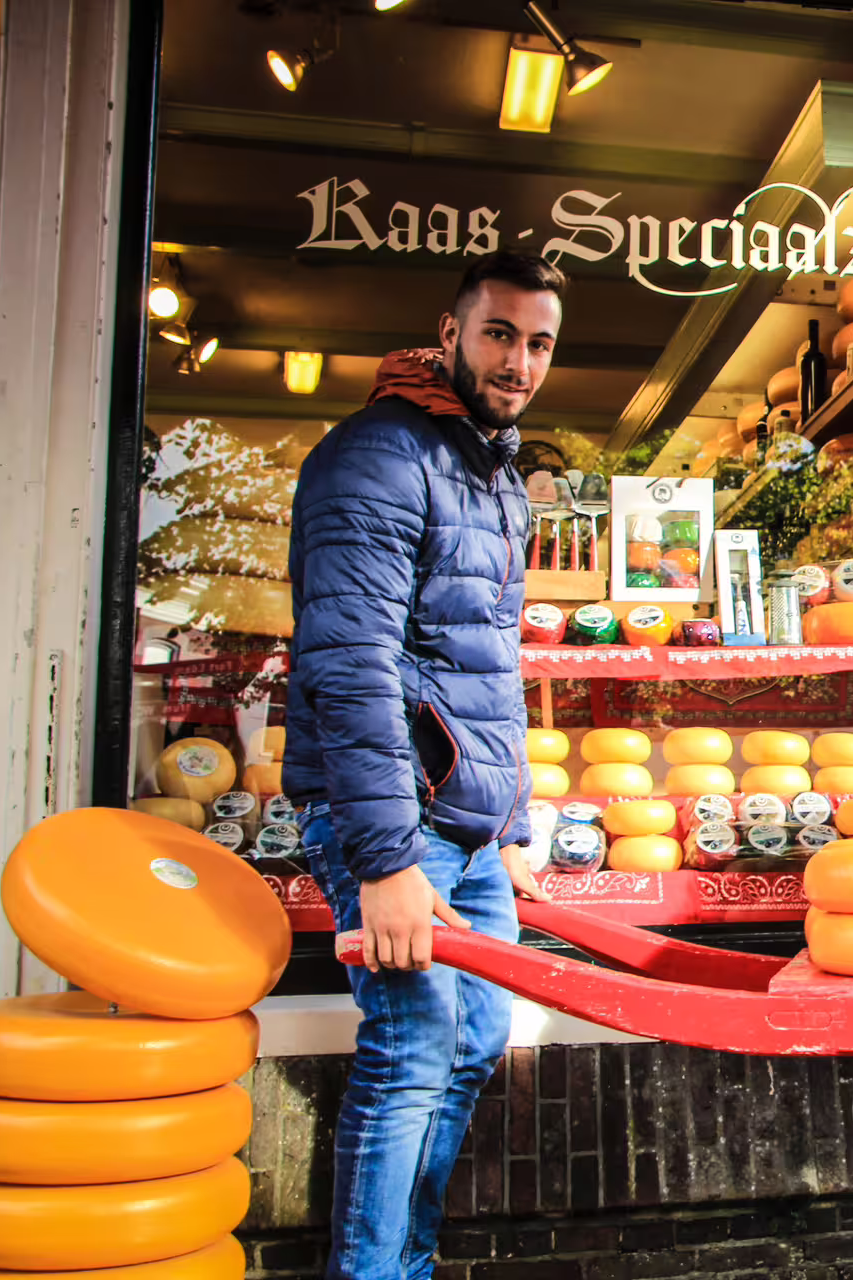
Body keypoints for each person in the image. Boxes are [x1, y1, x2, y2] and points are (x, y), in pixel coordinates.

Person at [284, 249, 565, 1280]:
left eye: (538, 342)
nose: (519, 360)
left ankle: (403, 1261)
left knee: (475, 1038)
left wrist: (512, 823)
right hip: (391, 820)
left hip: (465, 827)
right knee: (411, 1047)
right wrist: (387, 860)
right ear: (450, 334)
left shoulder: (492, 474)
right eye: (500, 334)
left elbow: (489, 664)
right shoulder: (378, 457)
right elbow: (348, 667)